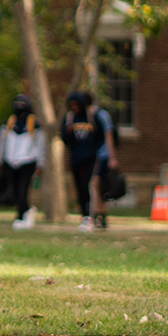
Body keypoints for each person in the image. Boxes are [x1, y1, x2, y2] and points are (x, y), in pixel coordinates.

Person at [0, 94, 45, 230]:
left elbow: (40, 144)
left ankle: (20, 216)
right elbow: (1, 143)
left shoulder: (34, 124)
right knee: (14, 190)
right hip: (10, 161)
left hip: (27, 161)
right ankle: (27, 209)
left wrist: (40, 163)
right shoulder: (9, 123)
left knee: (23, 189)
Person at [60, 91, 108, 233]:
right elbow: (64, 138)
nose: (74, 107)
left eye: (76, 104)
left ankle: (89, 216)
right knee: (78, 186)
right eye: (71, 105)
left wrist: (93, 150)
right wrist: (67, 133)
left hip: (90, 157)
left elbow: (101, 136)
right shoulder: (69, 118)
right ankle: (83, 215)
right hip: (75, 157)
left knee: (86, 184)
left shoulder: (91, 117)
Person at [86, 92, 120, 230]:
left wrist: (112, 157)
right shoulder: (84, 117)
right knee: (97, 186)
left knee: (94, 185)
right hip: (93, 156)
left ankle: (93, 217)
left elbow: (109, 135)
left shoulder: (101, 115)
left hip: (103, 156)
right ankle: (102, 216)